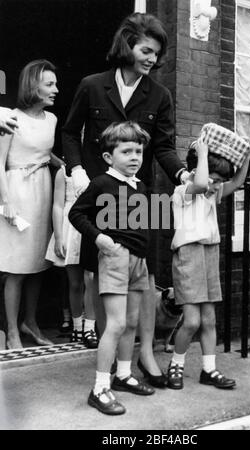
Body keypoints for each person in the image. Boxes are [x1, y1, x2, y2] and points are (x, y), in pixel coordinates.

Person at [62, 12, 189, 387]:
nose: (151, 58)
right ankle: (115, 364)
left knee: (145, 277)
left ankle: (146, 355)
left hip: (141, 195)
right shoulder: (91, 85)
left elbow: (163, 147)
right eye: (146, 50)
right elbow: (70, 133)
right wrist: (76, 170)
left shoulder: (160, 95)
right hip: (100, 192)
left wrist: (181, 174)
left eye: (156, 53)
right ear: (127, 45)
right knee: (101, 277)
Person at [69, 121, 155, 416]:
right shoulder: (102, 183)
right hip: (115, 258)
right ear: (109, 157)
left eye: (139, 151)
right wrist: (100, 238)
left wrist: (143, 255)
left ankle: (123, 374)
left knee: (131, 323)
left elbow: (144, 224)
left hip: (137, 262)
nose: (135, 157)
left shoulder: (140, 186)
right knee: (116, 324)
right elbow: (76, 214)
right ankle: (99, 388)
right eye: (126, 151)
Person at [167, 136, 250, 390]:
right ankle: (176, 365)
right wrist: (202, 153)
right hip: (188, 255)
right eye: (214, 180)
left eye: (218, 183)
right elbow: (202, 182)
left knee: (209, 320)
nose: (216, 186)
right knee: (191, 321)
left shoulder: (211, 194)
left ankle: (209, 370)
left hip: (210, 253)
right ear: (195, 171)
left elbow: (237, 181)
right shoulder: (184, 192)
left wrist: (245, 155)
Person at [0, 59, 59, 349]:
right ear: (32, 86)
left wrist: (67, 166)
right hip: (17, 192)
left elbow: (46, 154)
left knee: (38, 263)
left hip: (43, 191)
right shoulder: (11, 117)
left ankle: (30, 322)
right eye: (49, 84)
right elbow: (0, 161)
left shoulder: (52, 120)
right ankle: (11, 329)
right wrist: (6, 200)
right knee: (16, 266)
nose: (56, 90)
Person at [46, 165, 98, 348]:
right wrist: (59, 235)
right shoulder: (64, 170)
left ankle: (89, 328)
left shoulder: (98, 165)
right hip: (70, 227)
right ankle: (77, 326)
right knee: (75, 282)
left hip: (91, 225)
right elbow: (57, 205)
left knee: (91, 279)